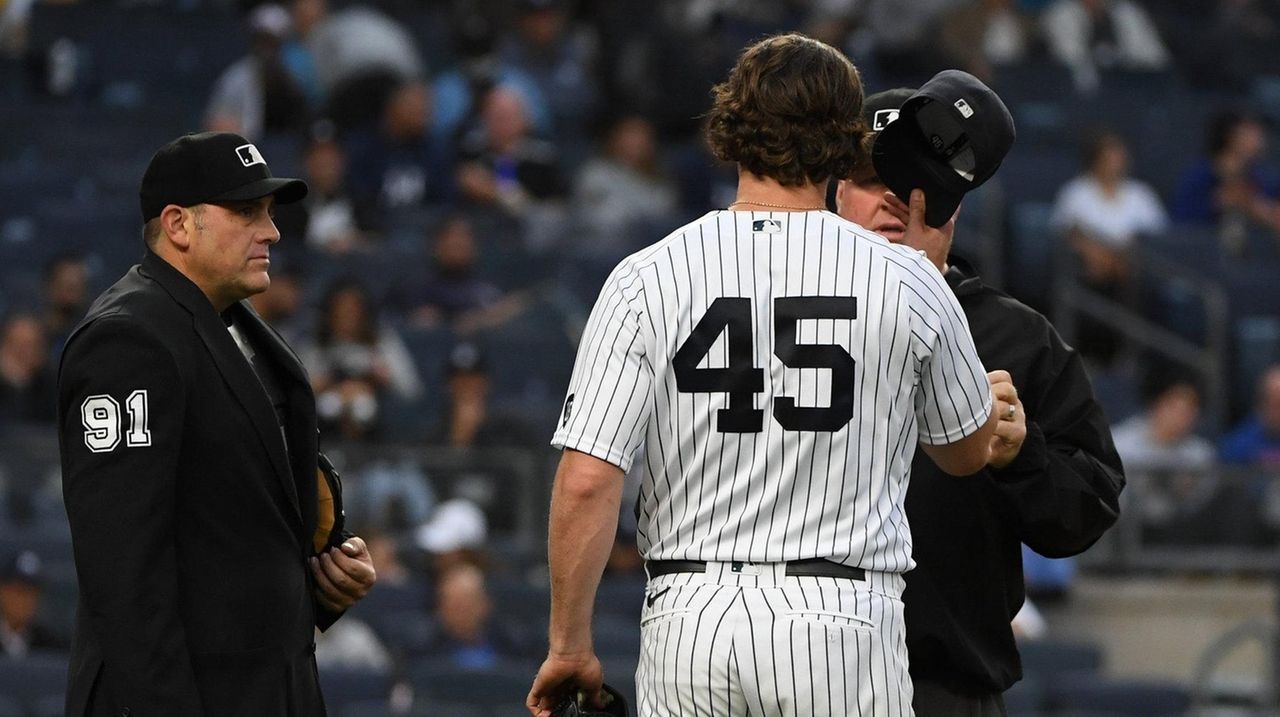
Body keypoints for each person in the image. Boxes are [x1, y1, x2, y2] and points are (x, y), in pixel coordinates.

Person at [527, 34, 1000, 717]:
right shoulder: (910, 281)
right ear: (844, 143)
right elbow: (965, 451)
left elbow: (588, 478)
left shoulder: (646, 275)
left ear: (731, 129)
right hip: (842, 619)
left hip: (690, 617)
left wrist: (569, 642)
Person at [56, 131, 377, 716]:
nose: (273, 231)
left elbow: (225, 540)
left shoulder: (240, 327)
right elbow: (125, 575)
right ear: (179, 225)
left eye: (271, 213)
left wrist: (316, 592)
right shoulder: (128, 340)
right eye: (247, 211)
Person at [833, 80, 1125, 715]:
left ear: (954, 199)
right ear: (833, 192)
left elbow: (1089, 510)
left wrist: (1020, 454)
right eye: (866, 174)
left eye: (916, 174)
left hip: (945, 683)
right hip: (798, 673)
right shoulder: (774, 319)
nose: (892, 195)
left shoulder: (1014, 337)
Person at [0, 549, 64, 657]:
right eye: (19, 591)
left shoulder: (51, 645)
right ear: (3, 591)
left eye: (32, 593)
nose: (24, 601)